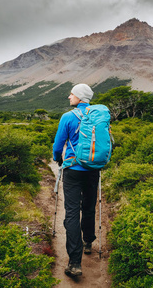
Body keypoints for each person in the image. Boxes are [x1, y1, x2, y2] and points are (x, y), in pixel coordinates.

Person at [53, 83, 100, 277]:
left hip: (72, 169)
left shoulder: (68, 117)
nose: (69, 97)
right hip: (92, 169)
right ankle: (88, 241)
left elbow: (58, 145)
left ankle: (74, 263)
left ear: (80, 97)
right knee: (88, 206)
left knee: (72, 212)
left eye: (72, 94)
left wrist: (58, 159)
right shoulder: (99, 116)